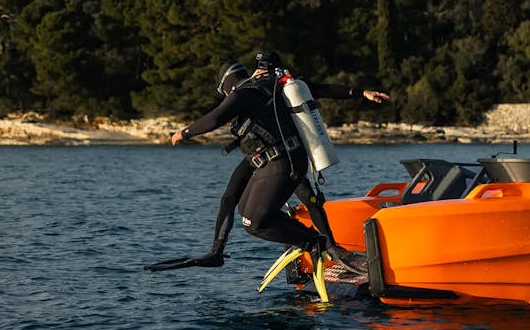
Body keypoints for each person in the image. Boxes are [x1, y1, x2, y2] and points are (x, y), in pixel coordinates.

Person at [149, 52, 389, 297]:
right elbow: (320, 88)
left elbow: (217, 117)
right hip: (276, 158)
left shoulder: (244, 93)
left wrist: (185, 132)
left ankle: (316, 243)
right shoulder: (278, 86)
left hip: (278, 162)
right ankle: (222, 251)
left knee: (254, 221)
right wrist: (360, 93)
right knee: (244, 205)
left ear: (226, 85)